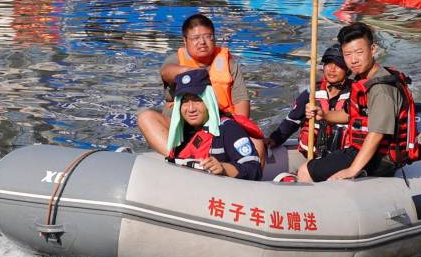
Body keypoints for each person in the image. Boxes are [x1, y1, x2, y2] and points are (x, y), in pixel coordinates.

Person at [299, 23, 421, 183]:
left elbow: (377, 133)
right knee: (320, 163)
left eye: (359, 52)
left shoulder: (380, 88)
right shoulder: (362, 79)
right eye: (347, 54)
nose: (353, 60)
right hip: (361, 150)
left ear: (373, 49)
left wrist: (352, 169)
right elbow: (348, 114)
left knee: (305, 172)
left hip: (380, 159)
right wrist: (323, 115)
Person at [136, 13, 250, 153]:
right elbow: (166, 72)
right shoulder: (175, 61)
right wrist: (193, 73)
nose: (202, 42)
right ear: (185, 41)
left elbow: (241, 104)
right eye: (195, 38)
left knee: (256, 145)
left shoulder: (229, 64)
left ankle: (212, 155)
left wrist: (239, 134)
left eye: (208, 36)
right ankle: (178, 156)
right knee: (145, 117)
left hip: (218, 129)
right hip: (182, 131)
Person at [163, 67, 266, 181]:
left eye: (197, 100)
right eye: (184, 101)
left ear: (208, 100)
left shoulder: (229, 129)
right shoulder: (180, 133)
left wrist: (223, 168)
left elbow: (254, 169)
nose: (191, 109)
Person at [267, 44, 350, 158]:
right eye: (328, 64)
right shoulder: (311, 94)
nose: (332, 69)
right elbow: (292, 121)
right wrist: (274, 139)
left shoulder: (354, 94)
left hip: (344, 158)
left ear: (347, 69)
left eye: (338, 65)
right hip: (314, 158)